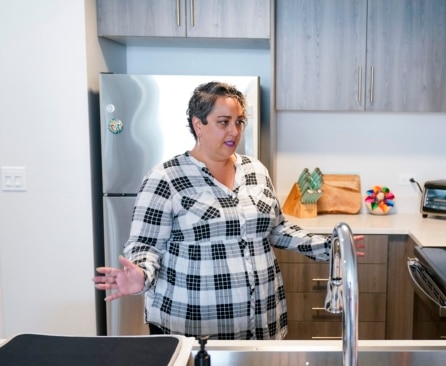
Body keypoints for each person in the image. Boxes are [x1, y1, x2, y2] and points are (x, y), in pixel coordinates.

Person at [93, 81, 363, 340]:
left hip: (263, 322)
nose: (234, 131)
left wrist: (330, 247)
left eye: (239, 122)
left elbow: (276, 228)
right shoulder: (166, 177)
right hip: (194, 330)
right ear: (198, 125)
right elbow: (145, 244)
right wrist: (141, 274)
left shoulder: (255, 170)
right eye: (224, 122)